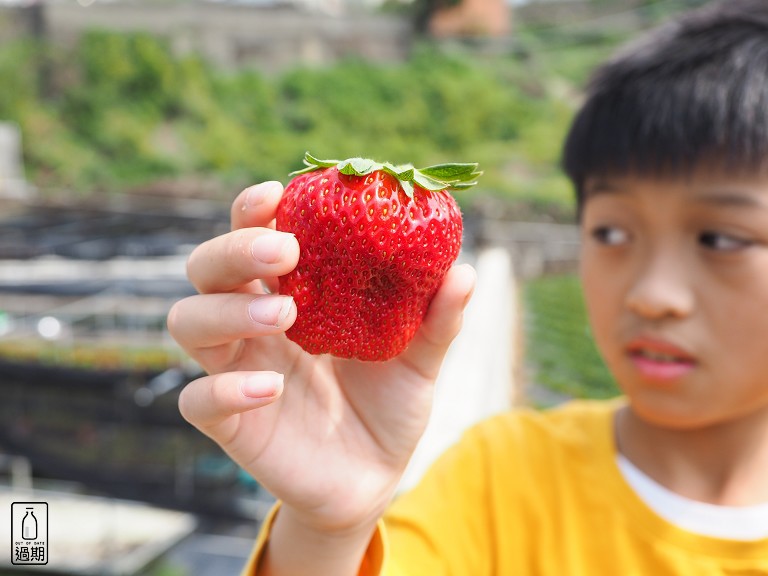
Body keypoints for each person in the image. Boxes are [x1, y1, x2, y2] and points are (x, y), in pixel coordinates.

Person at [166, 0, 768, 573]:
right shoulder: (501, 475)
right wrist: (327, 531)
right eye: (611, 231)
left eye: (720, 239)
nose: (651, 295)